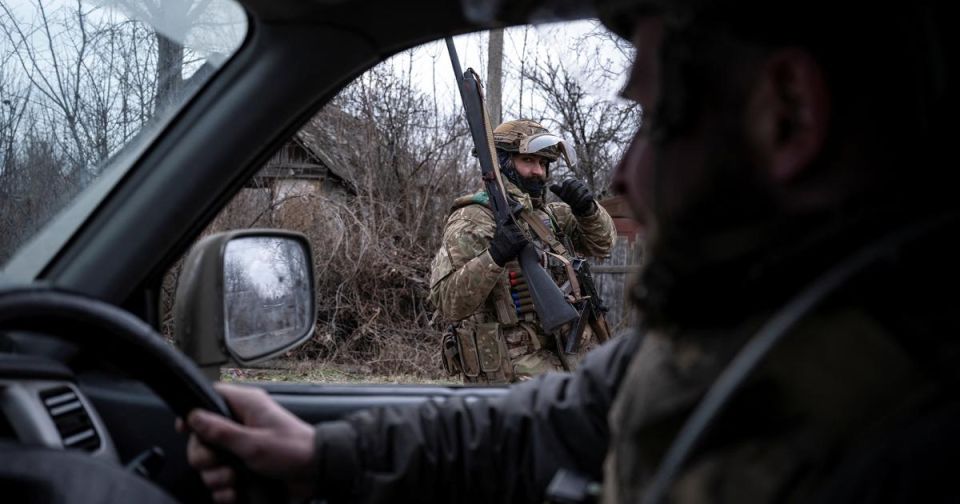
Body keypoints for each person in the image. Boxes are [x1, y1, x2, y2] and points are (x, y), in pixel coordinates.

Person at [180, 1, 956, 503]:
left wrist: (577, 206)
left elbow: (599, 246)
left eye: (652, 119)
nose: (623, 173)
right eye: (536, 160)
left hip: (558, 347)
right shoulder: (721, 338)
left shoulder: (905, 435)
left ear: (789, 114)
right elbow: (465, 333)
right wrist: (327, 453)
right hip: (513, 361)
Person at [429, 118, 616, 383]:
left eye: (543, 163)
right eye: (528, 161)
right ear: (502, 164)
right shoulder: (474, 218)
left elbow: (604, 244)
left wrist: (589, 211)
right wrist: (494, 256)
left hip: (568, 361)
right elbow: (448, 302)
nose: (538, 171)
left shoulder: (552, 217)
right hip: (512, 374)